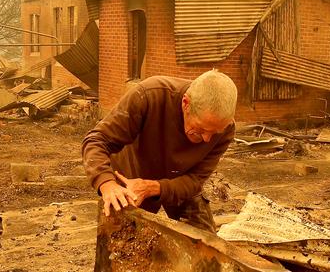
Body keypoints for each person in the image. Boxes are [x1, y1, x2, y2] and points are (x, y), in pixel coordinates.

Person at [82, 70, 237, 232]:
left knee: (206, 243)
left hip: (180, 183)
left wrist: (153, 187)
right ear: (186, 104)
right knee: (122, 243)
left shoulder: (226, 129)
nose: (206, 139)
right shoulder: (149, 96)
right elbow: (97, 140)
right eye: (201, 129)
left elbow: (195, 180)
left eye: (215, 133)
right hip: (132, 181)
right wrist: (107, 183)